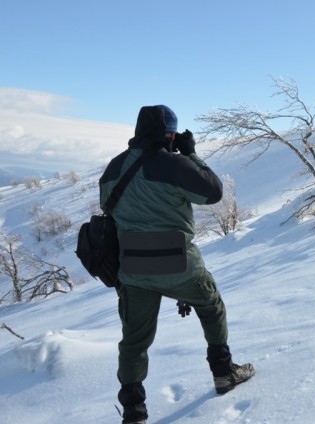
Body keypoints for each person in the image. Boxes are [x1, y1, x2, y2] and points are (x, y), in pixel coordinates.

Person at [99, 105, 254, 424]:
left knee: (134, 340)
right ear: (169, 133)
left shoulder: (114, 168)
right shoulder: (172, 164)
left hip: (133, 270)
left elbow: (107, 206)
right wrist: (192, 154)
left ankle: (133, 410)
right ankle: (223, 373)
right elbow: (212, 192)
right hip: (180, 265)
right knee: (211, 307)